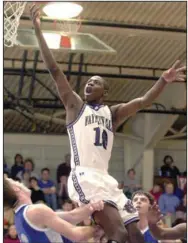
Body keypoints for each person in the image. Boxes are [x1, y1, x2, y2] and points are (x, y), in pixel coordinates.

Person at [30, 4, 186, 243]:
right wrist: (38, 30)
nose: (88, 85)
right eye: (87, 83)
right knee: (120, 235)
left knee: (136, 235)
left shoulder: (112, 113)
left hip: (106, 179)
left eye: (94, 82)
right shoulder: (75, 106)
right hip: (84, 177)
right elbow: (54, 69)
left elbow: (143, 101)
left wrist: (163, 81)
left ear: (105, 90)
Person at [4, 177, 104, 243]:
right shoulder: (35, 211)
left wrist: (92, 207)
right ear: (15, 188)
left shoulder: (20, 217)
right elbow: (76, 234)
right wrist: (101, 229)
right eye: (15, 181)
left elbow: (71, 216)